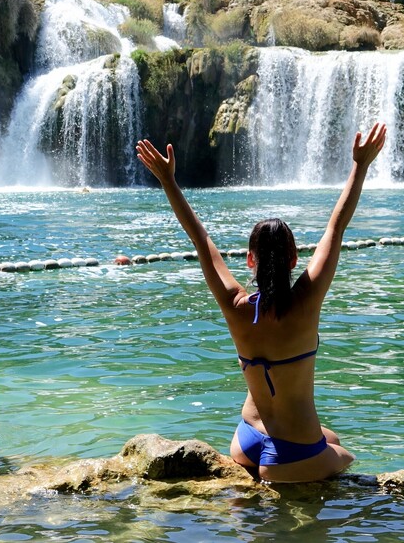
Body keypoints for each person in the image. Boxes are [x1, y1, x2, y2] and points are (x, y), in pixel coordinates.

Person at [136, 122, 387, 483]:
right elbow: (336, 227)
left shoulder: (235, 304)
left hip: (246, 439)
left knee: (330, 437)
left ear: (250, 260)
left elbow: (199, 237)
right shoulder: (306, 300)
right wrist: (360, 166)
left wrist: (169, 181)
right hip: (291, 453)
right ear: (293, 259)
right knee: (346, 454)